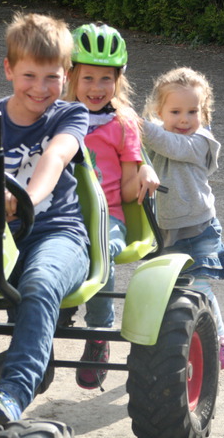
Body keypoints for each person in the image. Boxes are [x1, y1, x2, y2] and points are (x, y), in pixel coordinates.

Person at [0, 12, 91, 424]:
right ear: (9, 69)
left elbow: (54, 157)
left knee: (40, 281)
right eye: (30, 75)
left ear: (66, 75)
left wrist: (24, 197)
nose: (41, 88)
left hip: (57, 234)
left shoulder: (69, 116)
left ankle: (13, 391)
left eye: (52, 77)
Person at [64, 23, 160, 389]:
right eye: (88, 78)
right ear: (71, 76)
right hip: (62, 214)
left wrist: (144, 169)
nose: (97, 88)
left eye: (106, 79)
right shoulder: (55, 116)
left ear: (118, 81)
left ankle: (100, 331)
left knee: (98, 244)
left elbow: (127, 183)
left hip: (109, 218)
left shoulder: (123, 125)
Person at [142, 66, 224, 369]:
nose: (184, 119)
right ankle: (175, 342)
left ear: (204, 113)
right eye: (176, 111)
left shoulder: (199, 142)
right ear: (160, 111)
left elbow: (168, 144)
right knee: (167, 293)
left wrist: (133, 123)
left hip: (197, 228)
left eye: (193, 111)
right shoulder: (155, 137)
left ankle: (220, 337)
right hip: (162, 230)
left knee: (198, 286)